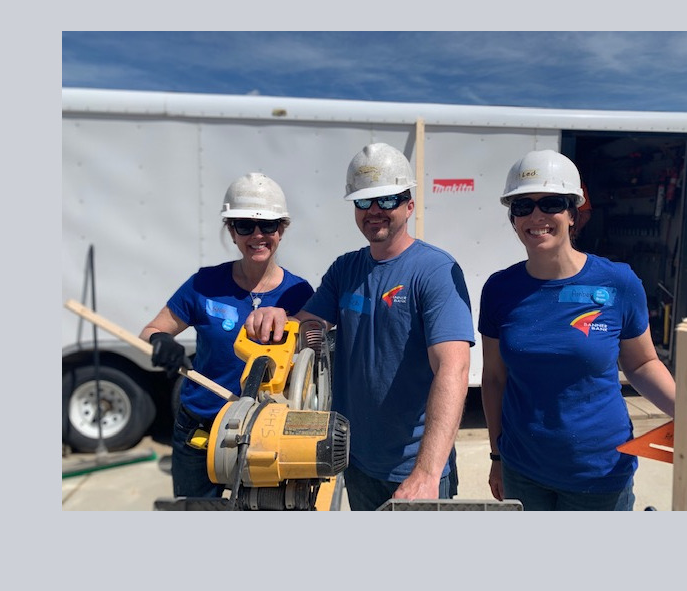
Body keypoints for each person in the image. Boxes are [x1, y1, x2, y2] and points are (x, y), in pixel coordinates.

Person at [245, 143, 475, 510]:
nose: (374, 211)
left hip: (414, 467)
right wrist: (279, 318)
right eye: (363, 201)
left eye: (387, 200)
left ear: (409, 205)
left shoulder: (434, 271)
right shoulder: (345, 269)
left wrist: (427, 475)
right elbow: (308, 327)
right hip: (356, 458)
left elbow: (454, 368)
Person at [479, 149, 680, 511]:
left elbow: (642, 364)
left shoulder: (618, 282)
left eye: (551, 203)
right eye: (522, 207)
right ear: (513, 218)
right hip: (523, 470)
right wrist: (497, 457)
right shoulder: (499, 289)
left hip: (599, 473)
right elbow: (493, 379)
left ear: (573, 214)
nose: (536, 216)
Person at [139, 173, 314, 498]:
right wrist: (159, 342)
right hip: (201, 426)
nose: (257, 235)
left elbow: (311, 365)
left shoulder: (300, 294)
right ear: (231, 230)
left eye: (269, 225)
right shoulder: (204, 284)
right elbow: (152, 330)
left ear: (282, 229)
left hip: (266, 433)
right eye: (245, 225)